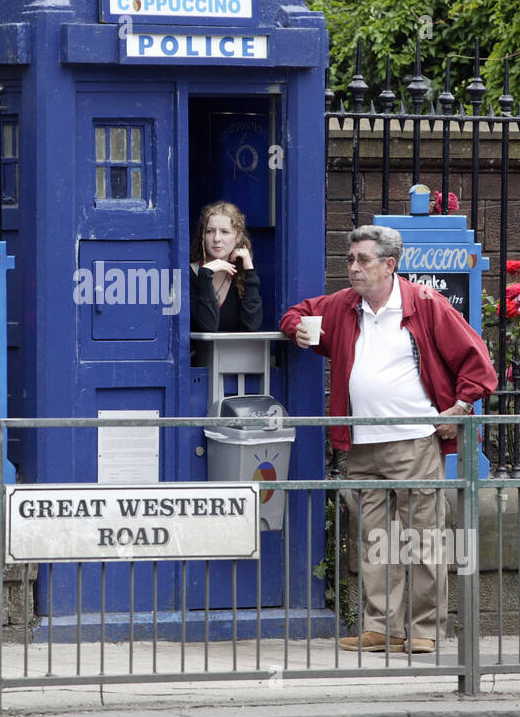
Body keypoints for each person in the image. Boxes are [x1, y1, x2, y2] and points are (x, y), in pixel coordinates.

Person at [279, 225, 496, 653]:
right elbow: (296, 312)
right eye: (350, 260)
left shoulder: (424, 304)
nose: (353, 269)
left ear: (389, 265)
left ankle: (424, 629)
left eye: (362, 260)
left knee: (424, 537)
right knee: (373, 539)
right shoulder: (345, 306)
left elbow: (478, 362)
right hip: (360, 442)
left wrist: (460, 408)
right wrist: (297, 331)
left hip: (414, 439)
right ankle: (382, 626)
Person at [191, 200, 262, 331]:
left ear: (238, 237)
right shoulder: (189, 273)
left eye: (225, 232)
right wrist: (205, 273)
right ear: (202, 236)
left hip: (232, 351)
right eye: (209, 231)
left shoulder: (240, 275)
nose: (217, 238)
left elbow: (251, 326)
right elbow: (208, 327)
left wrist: (249, 268)